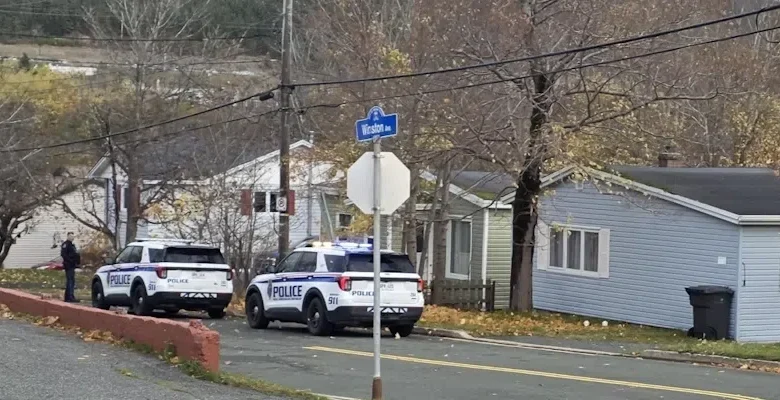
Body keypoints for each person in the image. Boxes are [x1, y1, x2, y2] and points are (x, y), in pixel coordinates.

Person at [60, 232, 80, 303]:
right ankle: (69, 297)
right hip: (68, 265)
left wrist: (77, 261)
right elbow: (63, 254)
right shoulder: (66, 244)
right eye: (71, 236)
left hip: (72, 265)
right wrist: (70, 261)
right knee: (70, 281)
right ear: (68, 236)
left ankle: (71, 296)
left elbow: (75, 254)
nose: (72, 238)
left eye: (73, 236)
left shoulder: (72, 245)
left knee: (72, 281)